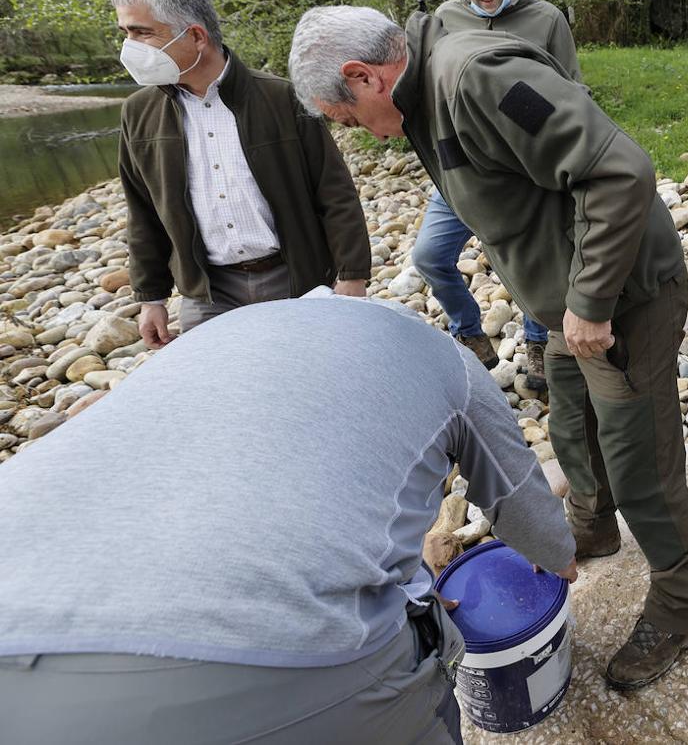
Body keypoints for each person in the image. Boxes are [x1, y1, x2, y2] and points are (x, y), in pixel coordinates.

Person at [288, 6, 688, 690]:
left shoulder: (472, 78)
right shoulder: (422, 97)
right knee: (573, 428)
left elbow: (621, 172)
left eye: (348, 119)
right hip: (568, 310)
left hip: (622, 301)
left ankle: (682, 600)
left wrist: (591, 301)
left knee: (641, 458)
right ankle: (592, 527)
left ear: (363, 77)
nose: (360, 136)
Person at [0, 295, 577, 744]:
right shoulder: (439, 356)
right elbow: (518, 491)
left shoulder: (215, 340)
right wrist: (559, 558)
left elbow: (245, 495)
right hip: (261, 664)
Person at [111, 0, 370, 349]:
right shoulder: (138, 114)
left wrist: (351, 275)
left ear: (196, 37)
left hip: (295, 280)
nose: (130, 47)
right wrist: (151, 296)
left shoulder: (283, 100)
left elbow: (335, 193)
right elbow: (143, 212)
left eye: (142, 32)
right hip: (208, 295)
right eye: (126, 33)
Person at [409, 0, 581, 385]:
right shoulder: (443, 20)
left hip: (522, 176)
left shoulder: (546, 19)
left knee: (528, 264)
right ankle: (470, 332)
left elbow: (574, 96)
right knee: (428, 256)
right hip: (460, 171)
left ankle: (538, 340)